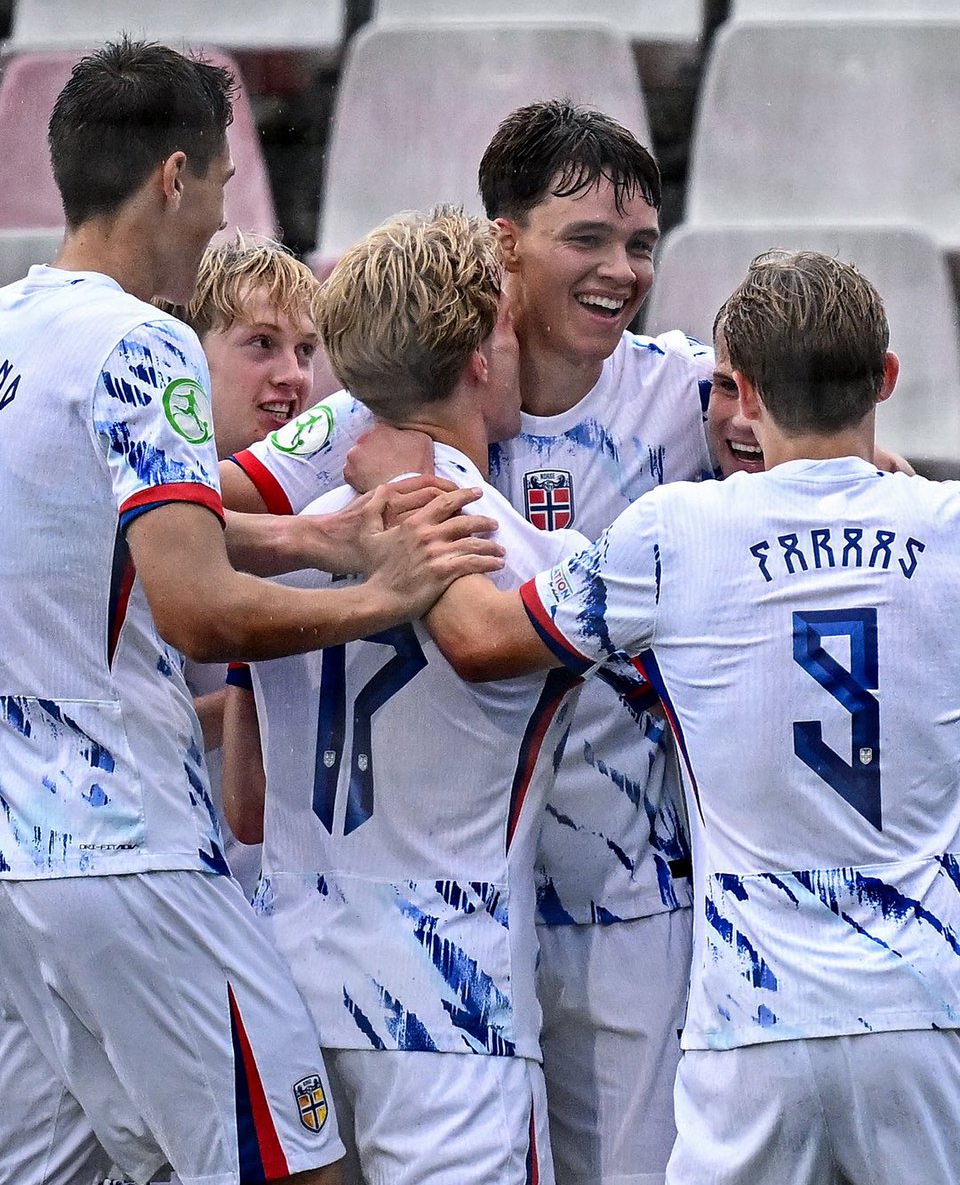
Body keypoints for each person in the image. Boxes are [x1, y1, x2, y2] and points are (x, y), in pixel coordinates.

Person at [0, 39, 502, 1185]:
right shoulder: (143, 344)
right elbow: (196, 610)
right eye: (223, 187)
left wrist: (308, 538)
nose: (222, 217)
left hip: (20, 869)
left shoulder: (12, 335)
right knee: (298, 1167)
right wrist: (378, 593)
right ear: (175, 177)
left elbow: (89, 542)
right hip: (137, 858)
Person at [219, 101, 710, 1183]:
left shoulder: (685, 389)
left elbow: (172, 526)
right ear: (499, 268)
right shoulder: (504, 538)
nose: (621, 270)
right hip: (459, 975)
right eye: (585, 238)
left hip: (555, 912)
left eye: (640, 244)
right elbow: (490, 635)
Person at [423, 248, 960, 1185]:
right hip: (925, 1010)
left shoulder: (677, 534)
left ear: (742, 392)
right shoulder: (952, 529)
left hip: (754, 1024)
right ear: (885, 378)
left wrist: (417, 471)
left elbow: (480, 639)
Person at [221, 205, 588, 1184]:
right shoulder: (536, 561)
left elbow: (246, 796)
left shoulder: (282, 549)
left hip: (291, 973)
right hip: (451, 1001)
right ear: (480, 354)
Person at [164, 232, 325, 895]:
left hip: (281, 894)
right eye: (262, 344)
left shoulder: (328, 506)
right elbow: (122, 721)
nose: (293, 375)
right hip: (162, 878)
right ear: (183, 356)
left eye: (306, 350)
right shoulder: (126, 516)